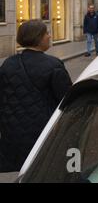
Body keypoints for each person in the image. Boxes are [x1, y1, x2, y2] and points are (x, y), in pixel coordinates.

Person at [0, 20, 72, 172]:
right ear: (38, 37)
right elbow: (68, 100)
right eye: (46, 33)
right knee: (42, 170)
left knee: (25, 170)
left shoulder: (8, 63)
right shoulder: (53, 65)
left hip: (12, 132)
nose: (50, 36)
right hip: (43, 132)